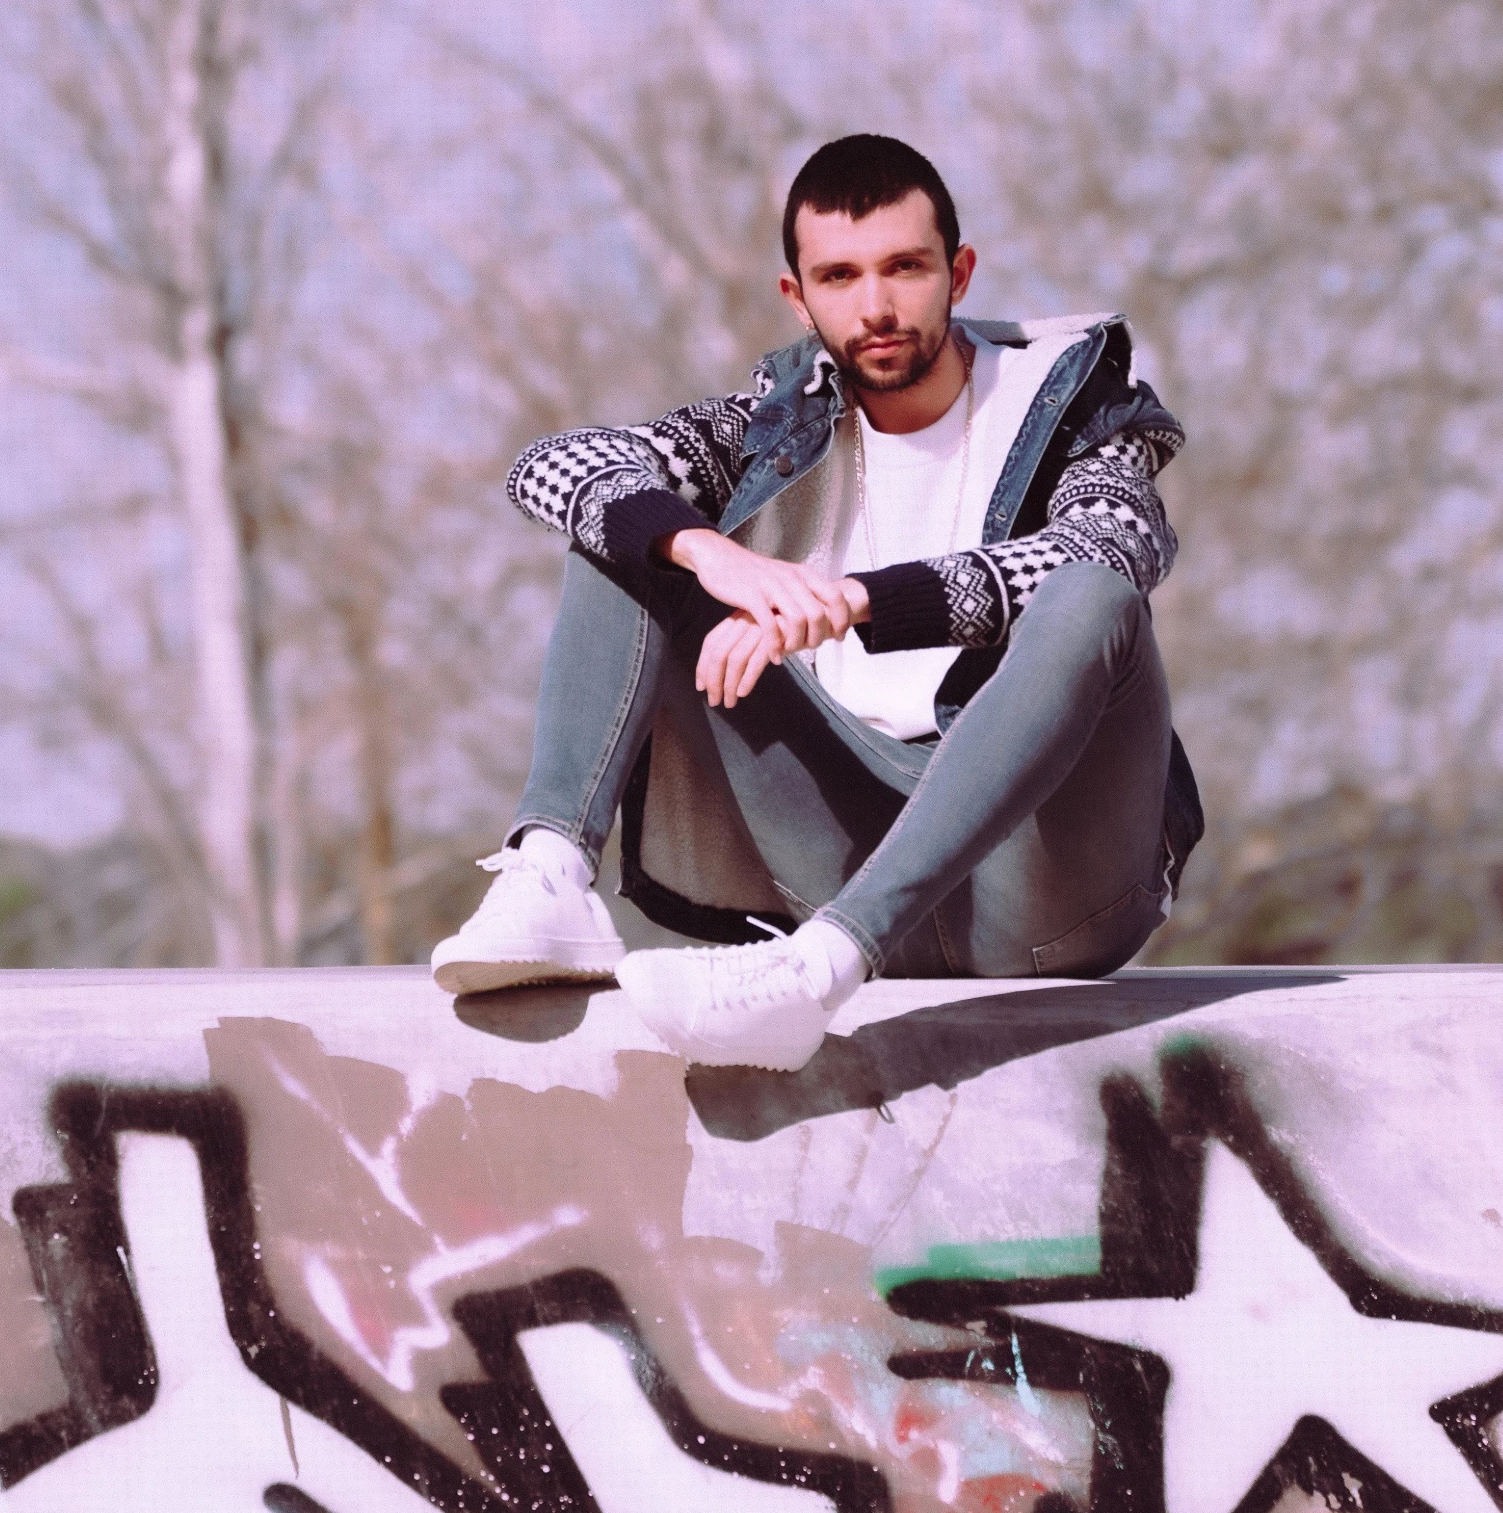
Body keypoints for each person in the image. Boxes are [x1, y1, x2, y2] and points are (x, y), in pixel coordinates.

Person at [431, 134, 1201, 1072]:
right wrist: (711, 554)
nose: (874, 306)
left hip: (1041, 886)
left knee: (1093, 599)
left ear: (957, 272)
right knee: (628, 528)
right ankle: (551, 872)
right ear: (798, 296)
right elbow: (548, 466)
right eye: (839, 276)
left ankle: (821, 974)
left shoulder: (1078, 405)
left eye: (904, 268)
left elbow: (1111, 547)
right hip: (835, 852)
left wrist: (855, 602)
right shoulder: (780, 424)